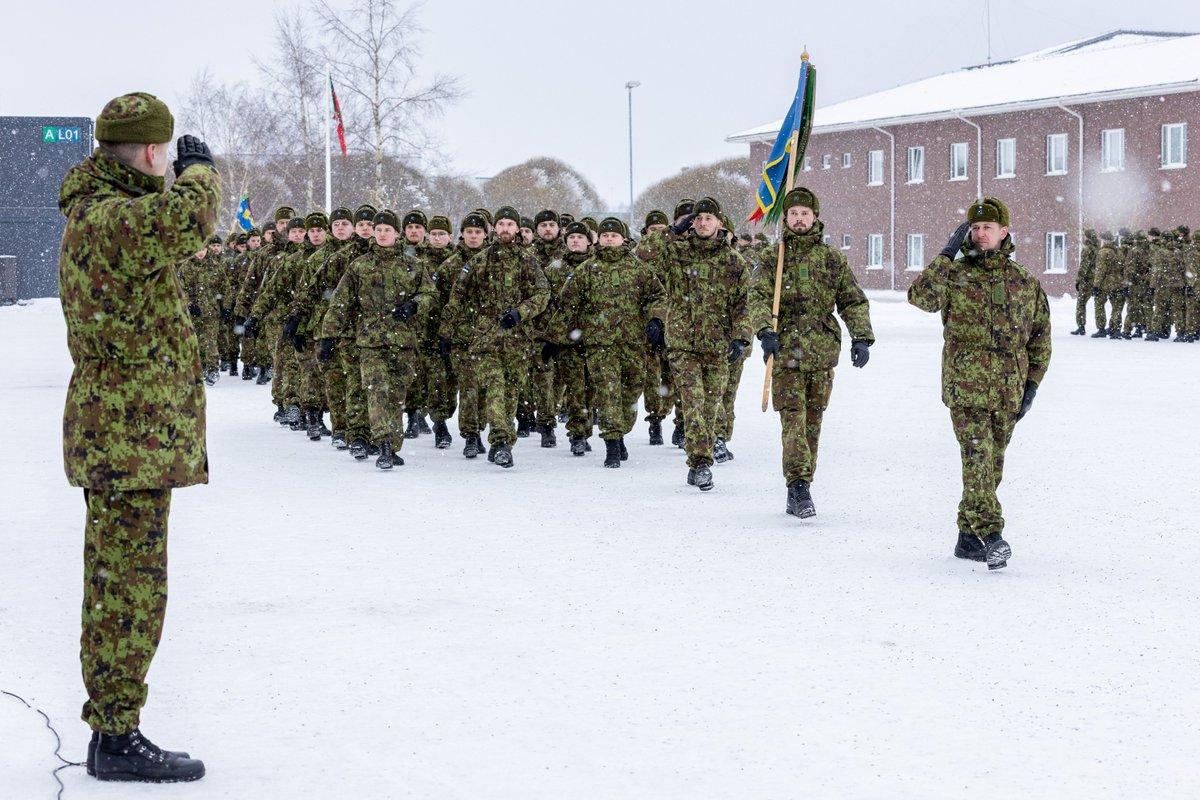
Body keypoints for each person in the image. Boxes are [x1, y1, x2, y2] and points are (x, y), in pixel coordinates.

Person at [59, 91, 217, 782]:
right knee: (127, 589)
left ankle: (115, 726)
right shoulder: (112, 220)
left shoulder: (99, 214)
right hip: (129, 437)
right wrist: (202, 172)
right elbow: (189, 219)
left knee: (120, 583)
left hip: (127, 433)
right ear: (154, 152)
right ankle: (117, 735)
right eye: (169, 153)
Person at [908, 197, 1051, 570]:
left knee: (993, 467)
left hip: (1008, 390)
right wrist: (944, 255)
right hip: (966, 387)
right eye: (974, 227)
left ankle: (967, 539)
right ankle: (991, 535)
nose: (980, 233)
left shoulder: (1024, 282)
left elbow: (1039, 338)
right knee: (978, 462)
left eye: (988, 227)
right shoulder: (954, 275)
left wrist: (1031, 386)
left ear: (1005, 231)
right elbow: (919, 298)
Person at [751, 187, 874, 518]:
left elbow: (851, 299)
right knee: (793, 420)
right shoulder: (772, 258)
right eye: (793, 214)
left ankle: (803, 483)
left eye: (805, 213)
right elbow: (758, 298)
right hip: (785, 352)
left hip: (821, 353)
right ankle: (798, 486)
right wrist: (765, 331)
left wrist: (860, 337)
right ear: (786, 219)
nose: (799, 219)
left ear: (816, 217)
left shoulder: (832, 259)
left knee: (812, 423)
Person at [321, 210, 434, 469]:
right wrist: (328, 336)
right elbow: (340, 303)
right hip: (370, 340)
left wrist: (415, 305)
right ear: (373, 232)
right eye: (379, 229)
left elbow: (430, 293)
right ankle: (382, 442)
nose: (383, 234)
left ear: (397, 233)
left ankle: (392, 445)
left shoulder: (413, 265)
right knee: (377, 390)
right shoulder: (360, 265)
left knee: (396, 394)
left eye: (388, 229)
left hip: (403, 341)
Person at [439, 206, 549, 468]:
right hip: (485, 339)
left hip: (518, 339)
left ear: (518, 229)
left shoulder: (528, 261)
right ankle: (500, 442)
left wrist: (521, 313)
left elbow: (543, 294)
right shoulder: (479, 262)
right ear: (494, 229)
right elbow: (457, 296)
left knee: (510, 393)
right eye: (501, 224)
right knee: (495, 388)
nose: (505, 229)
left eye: (510, 224)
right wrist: (446, 332)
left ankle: (503, 440)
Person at [655, 197, 751, 491]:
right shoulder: (677, 253)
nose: (703, 223)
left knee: (711, 407)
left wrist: (741, 337)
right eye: (698, 218)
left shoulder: (733, 261)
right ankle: (700, 464)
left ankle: (702, 456)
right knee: (693, 404)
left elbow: (743, 305)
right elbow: (642, 254)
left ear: (720, 223)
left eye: (709, 218)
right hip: (683, 344)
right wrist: (673, 230)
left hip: (717, 345)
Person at [554, 217, 665, 467]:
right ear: (598, 239)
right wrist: (555, 337)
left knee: (631, 391)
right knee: (607, 393)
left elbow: (658, 295)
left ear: (623, 239)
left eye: (614, 236)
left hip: (634, 343)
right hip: (599, 345)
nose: (609, 240)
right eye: (605, 236)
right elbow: (567, 305)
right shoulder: (586, 270)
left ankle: (621, 431)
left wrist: (656, 320)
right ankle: (612, 443)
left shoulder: (639, 269)